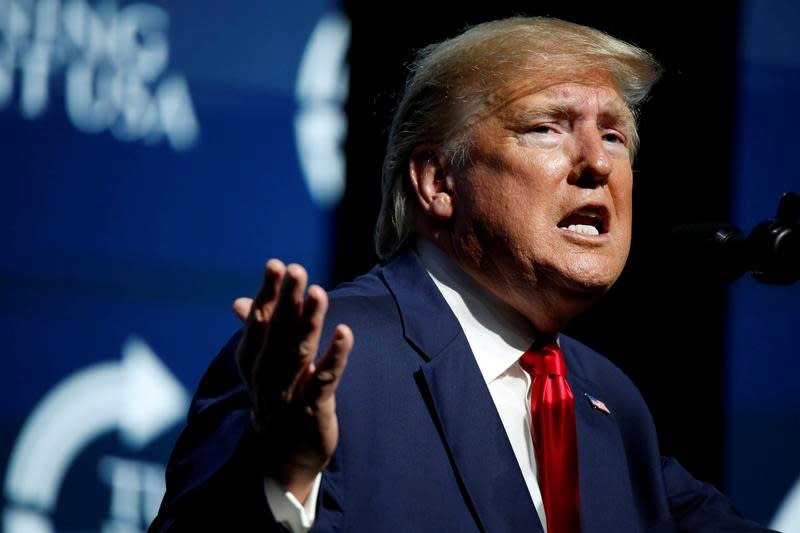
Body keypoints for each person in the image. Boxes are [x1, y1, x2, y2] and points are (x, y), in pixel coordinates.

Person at [150, 17, 774, 532]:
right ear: (438, 182)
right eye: (547, 128)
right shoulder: (323, 360)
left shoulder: (612, 407)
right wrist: (283, 478)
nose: (596, 164)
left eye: (614, 136)